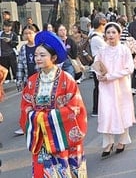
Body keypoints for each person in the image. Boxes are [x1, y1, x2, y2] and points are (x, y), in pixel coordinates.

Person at [19, 31, 88, 177]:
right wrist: (35, 117)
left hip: (62, 136)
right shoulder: (31, 82)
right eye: (36, 55)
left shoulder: (66, 80)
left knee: (65, 170)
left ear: (54, 57)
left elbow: (75, 107)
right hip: (42, 137)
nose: (37, 58)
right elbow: (25, 105)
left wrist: (49, 117)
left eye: (42, 55)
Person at [94, 22, 135, 158]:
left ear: (118, 34)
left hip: (121, 86)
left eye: (113, 32)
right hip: (105, 87)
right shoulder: (102, 50)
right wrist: (98, 74)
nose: (111, 35)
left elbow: (129, 68)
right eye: (108, 32)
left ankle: (123, 140)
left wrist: (111, 76)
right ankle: (108, 142)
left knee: (121, 111)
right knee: (106, 112)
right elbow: (96, 65)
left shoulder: (124, 49)